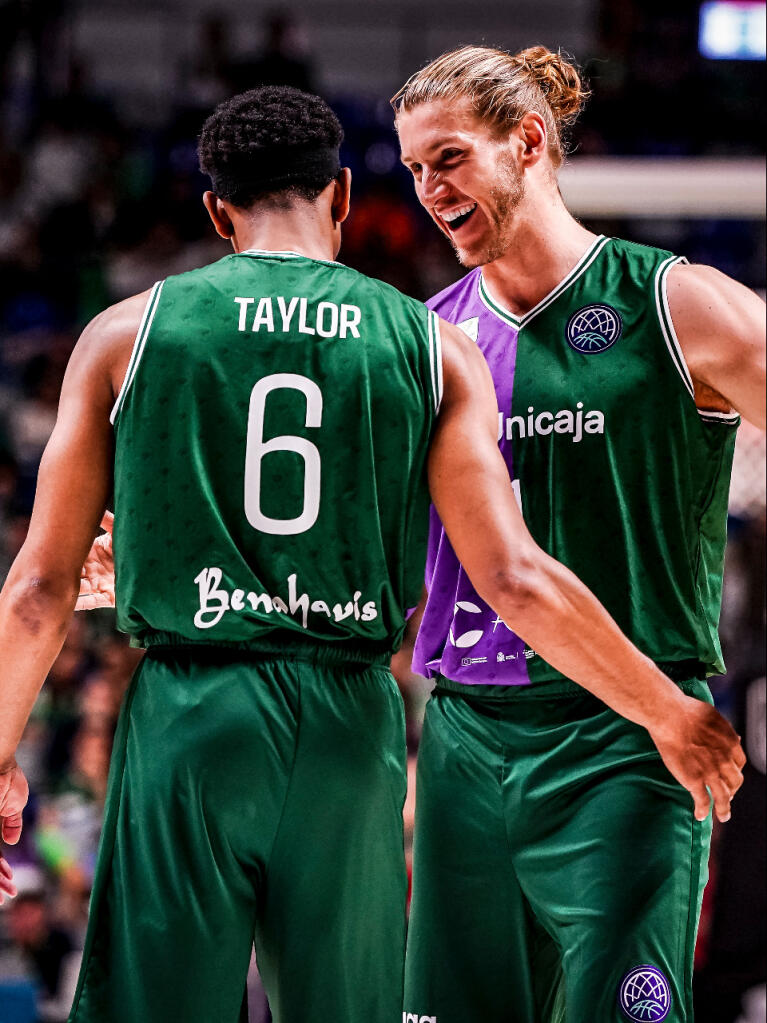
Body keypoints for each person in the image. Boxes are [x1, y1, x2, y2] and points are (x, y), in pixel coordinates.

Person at [0, 85, 745, 1023]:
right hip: (351, 718)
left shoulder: (126, 331)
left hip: (191, 709)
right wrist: (664, 705)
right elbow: (511, 575)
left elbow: (36, 588)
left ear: (215, 211)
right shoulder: (431, 344)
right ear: (345, 196)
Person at [392, 45, 765, 1023]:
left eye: (447, 158)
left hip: (632, 735)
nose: (427, 189)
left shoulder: (674, 304)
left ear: (526, 142)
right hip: (468, 740)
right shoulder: (429, 336)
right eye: (412, 169)